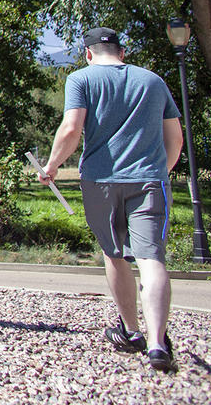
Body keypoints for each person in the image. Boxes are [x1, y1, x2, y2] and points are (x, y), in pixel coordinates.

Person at [38, 27, 183, 373]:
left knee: (115, 254)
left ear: (88, 53)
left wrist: (52, 165)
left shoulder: (81, 79)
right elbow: (174, 138)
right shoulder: (152, 81)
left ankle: (131, 331)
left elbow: (71, 129)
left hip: (100, 181)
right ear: (122, 52)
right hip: (148, 180)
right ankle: (158, 344)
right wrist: (159, 168)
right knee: (151, 259)